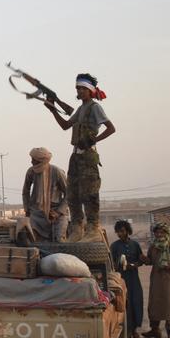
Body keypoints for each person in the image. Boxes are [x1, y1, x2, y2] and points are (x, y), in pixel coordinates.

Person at [44, 73, 116, 241]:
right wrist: (53, 109)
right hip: (76, 156)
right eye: (78, 88)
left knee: (89, 194)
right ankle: (77, 229)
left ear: (90, 90)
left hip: (88, 155)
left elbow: (111, 128)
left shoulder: (94, 107)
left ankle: (93, 229)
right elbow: (65, 125)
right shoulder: (81, 108)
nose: (80, 91)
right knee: (73, 194)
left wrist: (93, 140)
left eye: (83, 88)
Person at [109, 220, 145, 338]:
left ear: (127, 231)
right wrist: (119, 265)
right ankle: (127, 330)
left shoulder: (135, 245)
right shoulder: (114, 246)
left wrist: (134, 265)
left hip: (134, 277)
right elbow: (111, 264)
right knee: (124, 302)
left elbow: (141, 260)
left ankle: (134, 329)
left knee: (136, 301)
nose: (120, 234)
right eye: (118, 232)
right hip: (121, 278)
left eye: (122, 231)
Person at [21, 147, 68, 242]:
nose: (31, 162)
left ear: (41, 161)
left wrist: (58, 212)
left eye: (34, 160)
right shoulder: (31, 171)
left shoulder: (57, 172)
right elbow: (25, 192)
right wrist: (27, 209)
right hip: (36, 213)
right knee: (32, 239)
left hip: (56, 212)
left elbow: (69, 194)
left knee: (59, 240)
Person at [145, 221, 170, 338]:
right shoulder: (153, 246)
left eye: (161, 232)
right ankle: (155, 330)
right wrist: (143, 259)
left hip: (168, 280)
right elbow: (150, 260)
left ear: (166, 233)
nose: (159, 234)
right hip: (156, 279)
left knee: (169, 304)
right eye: (157, 232)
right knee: (154, 304)